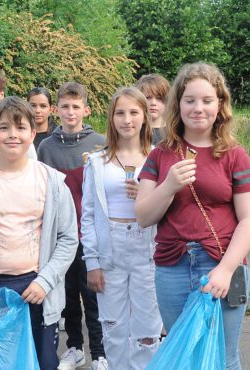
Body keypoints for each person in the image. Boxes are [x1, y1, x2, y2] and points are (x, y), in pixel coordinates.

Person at [135, 62, 250, 370]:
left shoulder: (234, 154)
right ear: (177, 104)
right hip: (172, 268)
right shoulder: (160, 154)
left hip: (221, 264)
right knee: (182, 357)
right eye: (190, 100)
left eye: (207, 100)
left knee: (224, 356)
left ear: (220, 104)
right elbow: (143, 216)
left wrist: (226, 270)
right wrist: (168, 186)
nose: (198, 108)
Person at [0, 96, 78, 370]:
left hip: (35, 288)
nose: (13, 135)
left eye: (21, 128)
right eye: (4, 128)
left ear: (33, 134)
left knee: (41, 362)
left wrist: (44, 281)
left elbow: (69, 239)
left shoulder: (52, 182)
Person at [81, 87, 162, 369]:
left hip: (147, 246)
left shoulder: (159, 158)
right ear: (111, 118)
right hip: (110, 247)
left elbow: (170, 207)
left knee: (148, 327)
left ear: (145, 117)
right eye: (120, 113)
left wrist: (146, 194)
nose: (127, 120)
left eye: (133, 112)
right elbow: (88, 215)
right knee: (113, 326)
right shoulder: (97, 162)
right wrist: (92, 261)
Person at [38, 82, 108, 370]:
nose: (70, 111)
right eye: (64, 106)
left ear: (86, 110)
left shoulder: (100, 143)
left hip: (90, 234)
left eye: (75, 106)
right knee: (66, 296)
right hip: (60, 235)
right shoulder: (46, 147)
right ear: (56, 110)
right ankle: (75, 348)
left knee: (93, 296)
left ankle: (100, 352)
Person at [135, 74, 170, 145]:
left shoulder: (174, 133)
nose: (153, 103)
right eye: (148, 98)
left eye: (159, 98)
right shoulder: (133, 131)